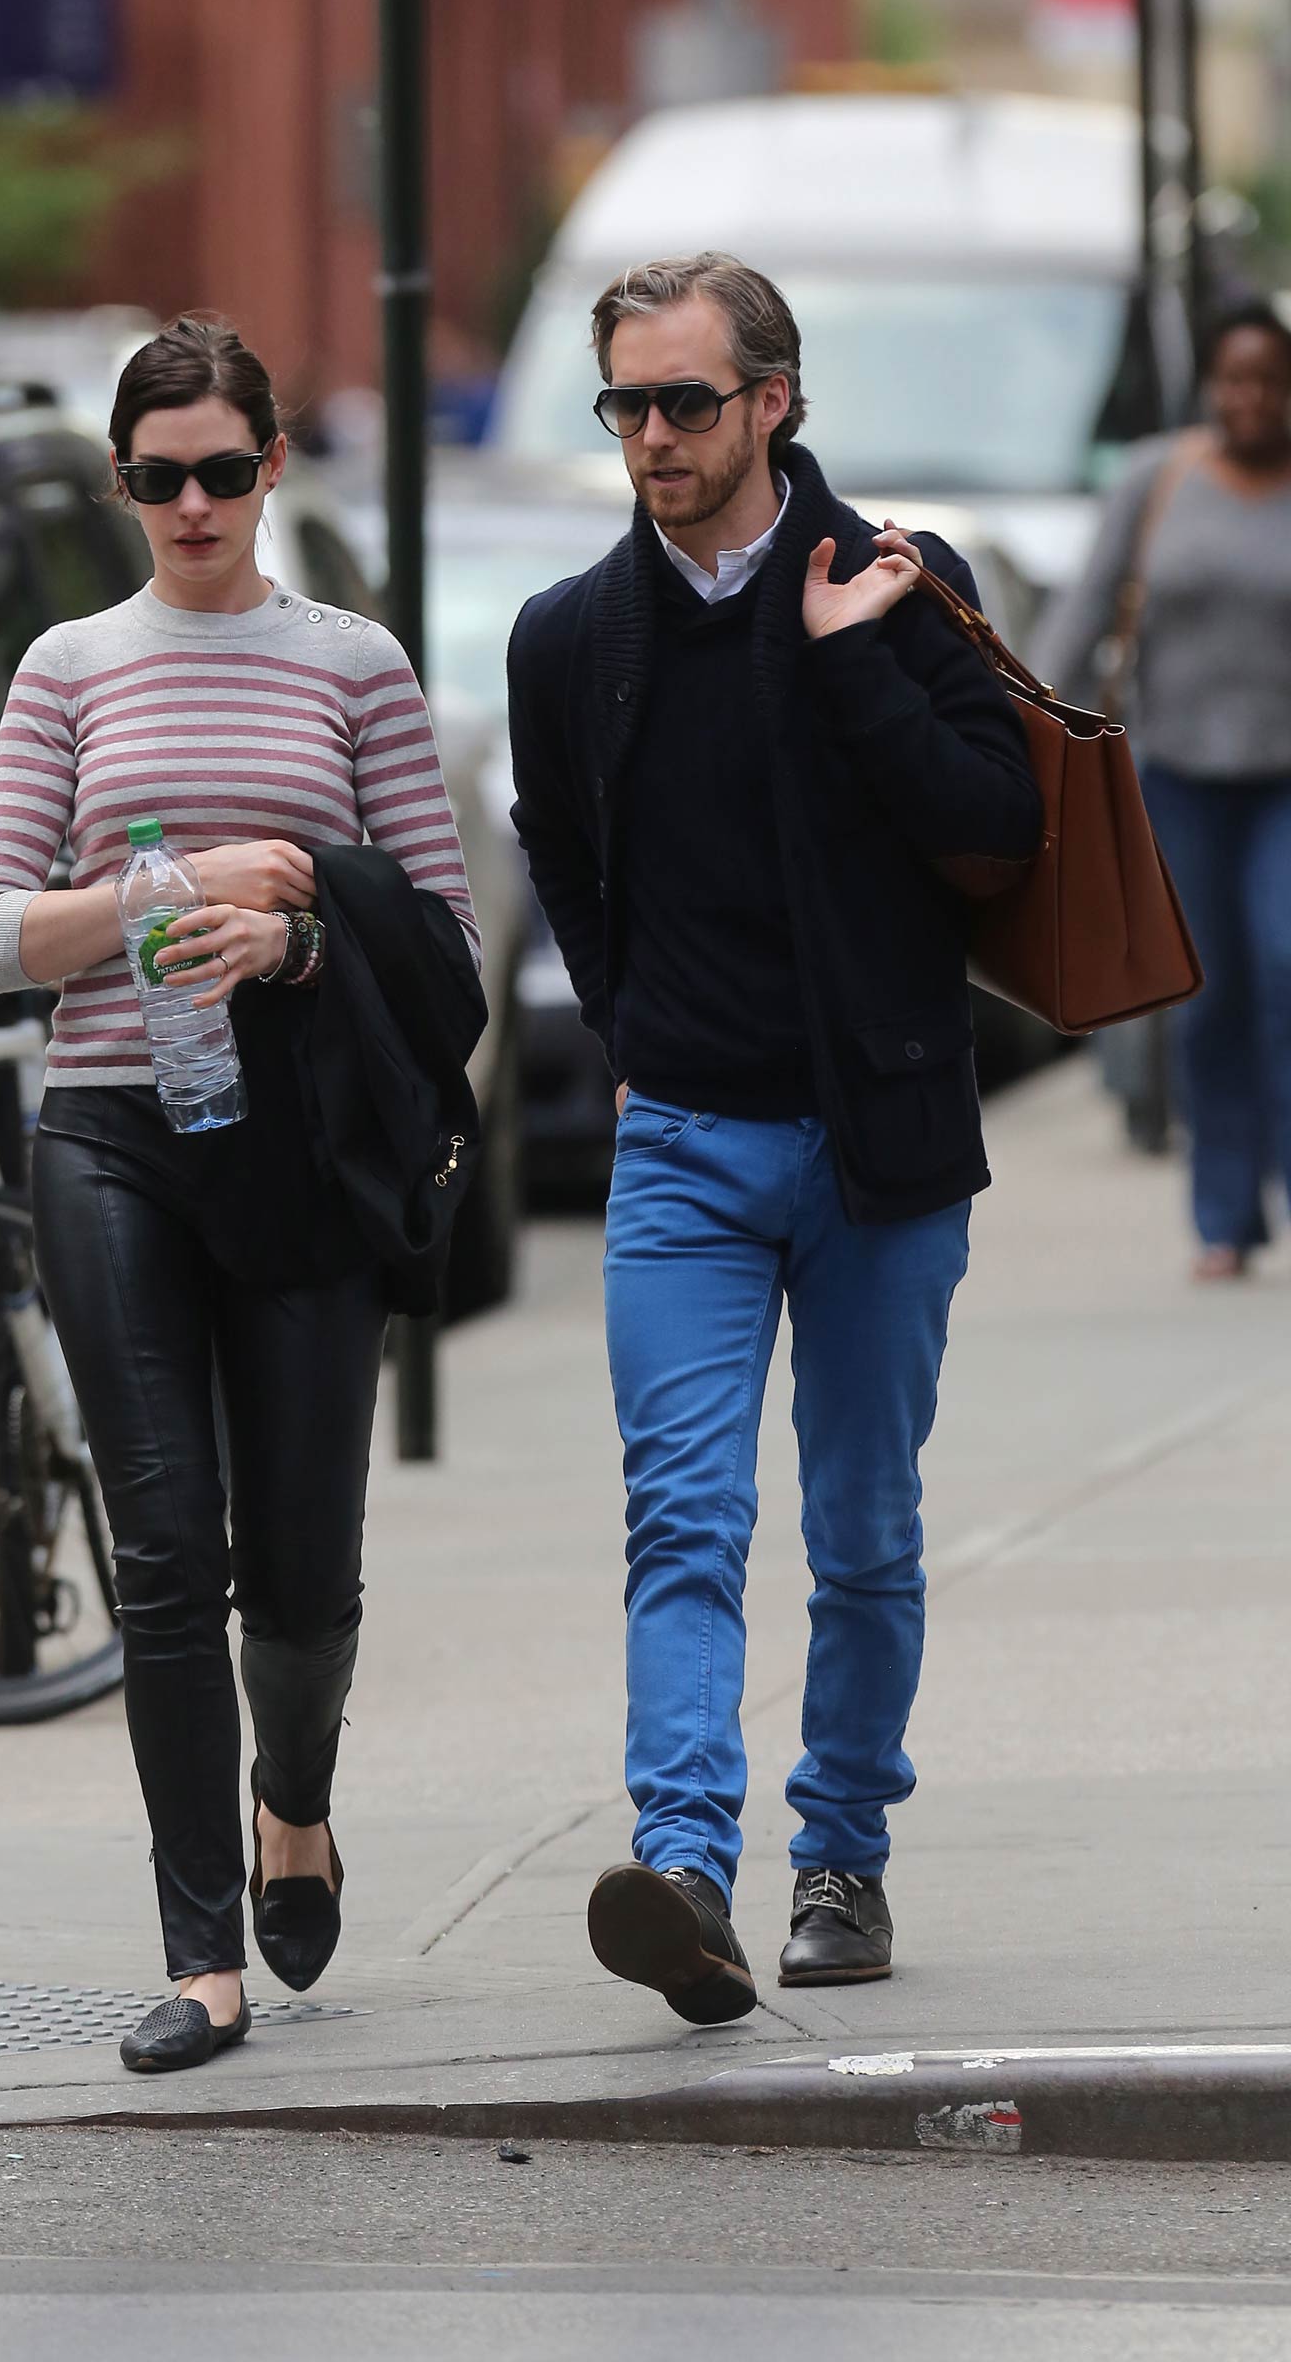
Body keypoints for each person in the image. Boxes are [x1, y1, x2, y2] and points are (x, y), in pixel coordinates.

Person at [507, 251, 1038, 2017]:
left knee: (865, 1531)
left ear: (774, 402)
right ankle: (685, 1870)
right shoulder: (571, 637)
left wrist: (855, 668)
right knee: (681, 1523)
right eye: (627, 406)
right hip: (686, 1154)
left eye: (685, 402)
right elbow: (567, 867)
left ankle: (845, 1860)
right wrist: (638, 1036)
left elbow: (997, 832)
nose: (652, 437)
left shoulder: (899, 585)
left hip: (877, 1141)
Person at [0, 314, 479, 2072]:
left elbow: (449, 946)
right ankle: (202, 1962)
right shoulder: (68, 669)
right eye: (161, 477)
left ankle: (295, 1803)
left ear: (271, 470)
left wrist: (302, 925)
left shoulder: (355, 665)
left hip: (304, 1153)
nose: (195, 504)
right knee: (166, 1555)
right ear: (123, 485)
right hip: (111, 1131)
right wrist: (156, 897)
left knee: (304, 1575)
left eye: (226, 471)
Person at [1041, 298, 1291, 1280]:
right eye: (1233, 381)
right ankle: (1223, 1216)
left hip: (1284, 784)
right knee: (1207, 991)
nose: (1249, 400)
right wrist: (1023, 726)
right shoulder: (1157, 480)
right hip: (1178, 777)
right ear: (1209, 387)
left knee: (1285, 964)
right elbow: (1081, 613)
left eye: (1268, 383)